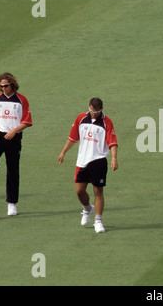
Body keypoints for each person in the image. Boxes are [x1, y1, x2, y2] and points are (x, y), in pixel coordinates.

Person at [58, 98, 118, 233]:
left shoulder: (106, 122)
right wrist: (63, 152)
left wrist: (114, 158)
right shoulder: (80, 118)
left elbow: (112, 142)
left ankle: (98, 221)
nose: (93, 114)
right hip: (82, 161)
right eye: (91, 111)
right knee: (79, 191)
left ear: (101, 109)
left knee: (98, 192)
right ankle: (87, 209)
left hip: (99, 160)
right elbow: (73, 138)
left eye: (96, 112)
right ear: (89, 107)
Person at [0, 72, 33, 216]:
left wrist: (14, 131)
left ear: (12, 84)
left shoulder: (22, 100)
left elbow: (27, 121)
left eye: (6, 86)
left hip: (14, 138)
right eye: (1, 86)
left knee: (13, 169)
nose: (4, 88)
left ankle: (12, 204)